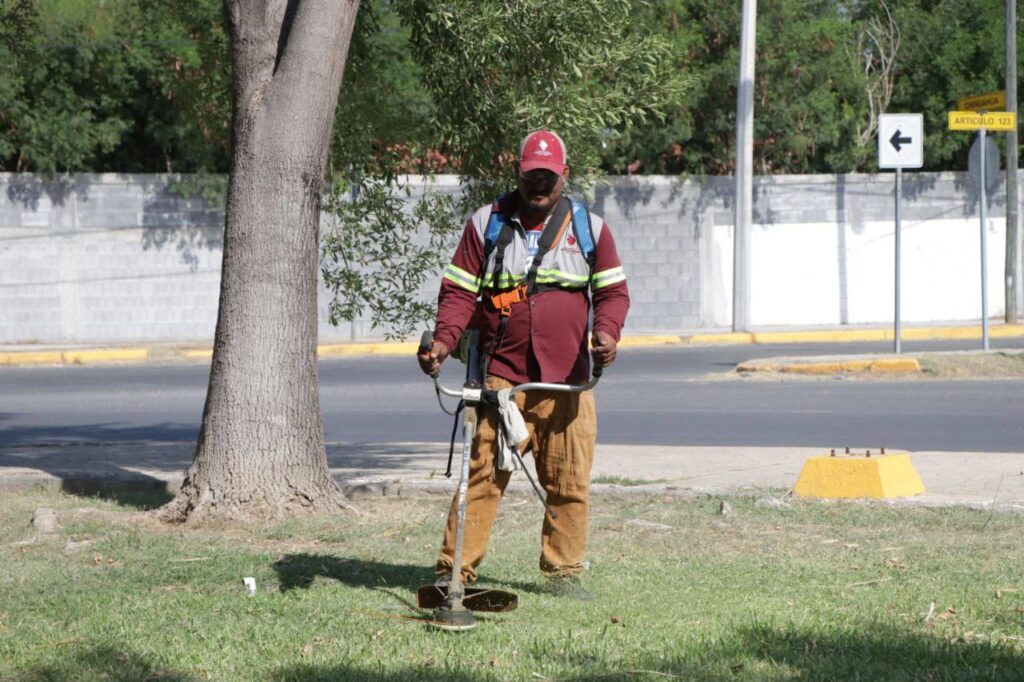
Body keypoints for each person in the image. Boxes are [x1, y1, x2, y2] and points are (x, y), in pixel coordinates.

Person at [417, 130, 629, 596]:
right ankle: (454, 571)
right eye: (532, 174)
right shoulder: (485, 224)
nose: (540, 184)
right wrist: (443, 343)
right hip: (502, 377)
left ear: (563, 176)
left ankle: (564, 573)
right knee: (482, 480)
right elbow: (457, 293)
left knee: (569, 479)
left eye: (549, 177)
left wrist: (608, 334)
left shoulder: (590, 229)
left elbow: (612, 293)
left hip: (568, 381)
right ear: (518, 172)